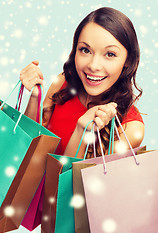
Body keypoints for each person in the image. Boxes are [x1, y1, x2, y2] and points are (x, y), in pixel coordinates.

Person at [20, 7, 144, 158]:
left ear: (128, 60)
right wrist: (35, 96)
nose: (93, 65)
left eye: (110, 54)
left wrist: (81, 132)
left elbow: (75, 181)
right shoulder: (63, 83)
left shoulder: (130, 128)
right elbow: (25, 146)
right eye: (85, 50)